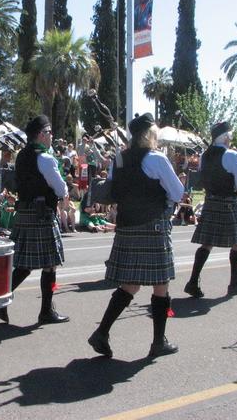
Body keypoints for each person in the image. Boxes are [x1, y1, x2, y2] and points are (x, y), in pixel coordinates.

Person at [87, 113, 183, 358]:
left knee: (130, 284)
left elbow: (113, 188)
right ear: (150, 134)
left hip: (127, 225)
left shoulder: (118, 160)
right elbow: (177, 191)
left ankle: (102, 332)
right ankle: (158, 342)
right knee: (160, 284)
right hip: (152, 225)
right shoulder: (157, 159)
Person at [0, 115, 70, 325]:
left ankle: (1, 299)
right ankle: (46, 311)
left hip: (25, 211)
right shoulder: (45, 158)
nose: (52, 136)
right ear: (41, 134)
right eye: (50, 132)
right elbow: (61, 188)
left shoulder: (22, 156)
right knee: (50, 265)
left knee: (25, 265)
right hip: (42, 213)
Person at [184, 121, 237, 298]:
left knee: (207, 243)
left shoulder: (205, 156)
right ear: (227, 137)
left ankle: (192, 282)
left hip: (211, 201)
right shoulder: (231, 155)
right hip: (228, 202)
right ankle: (234, 285)